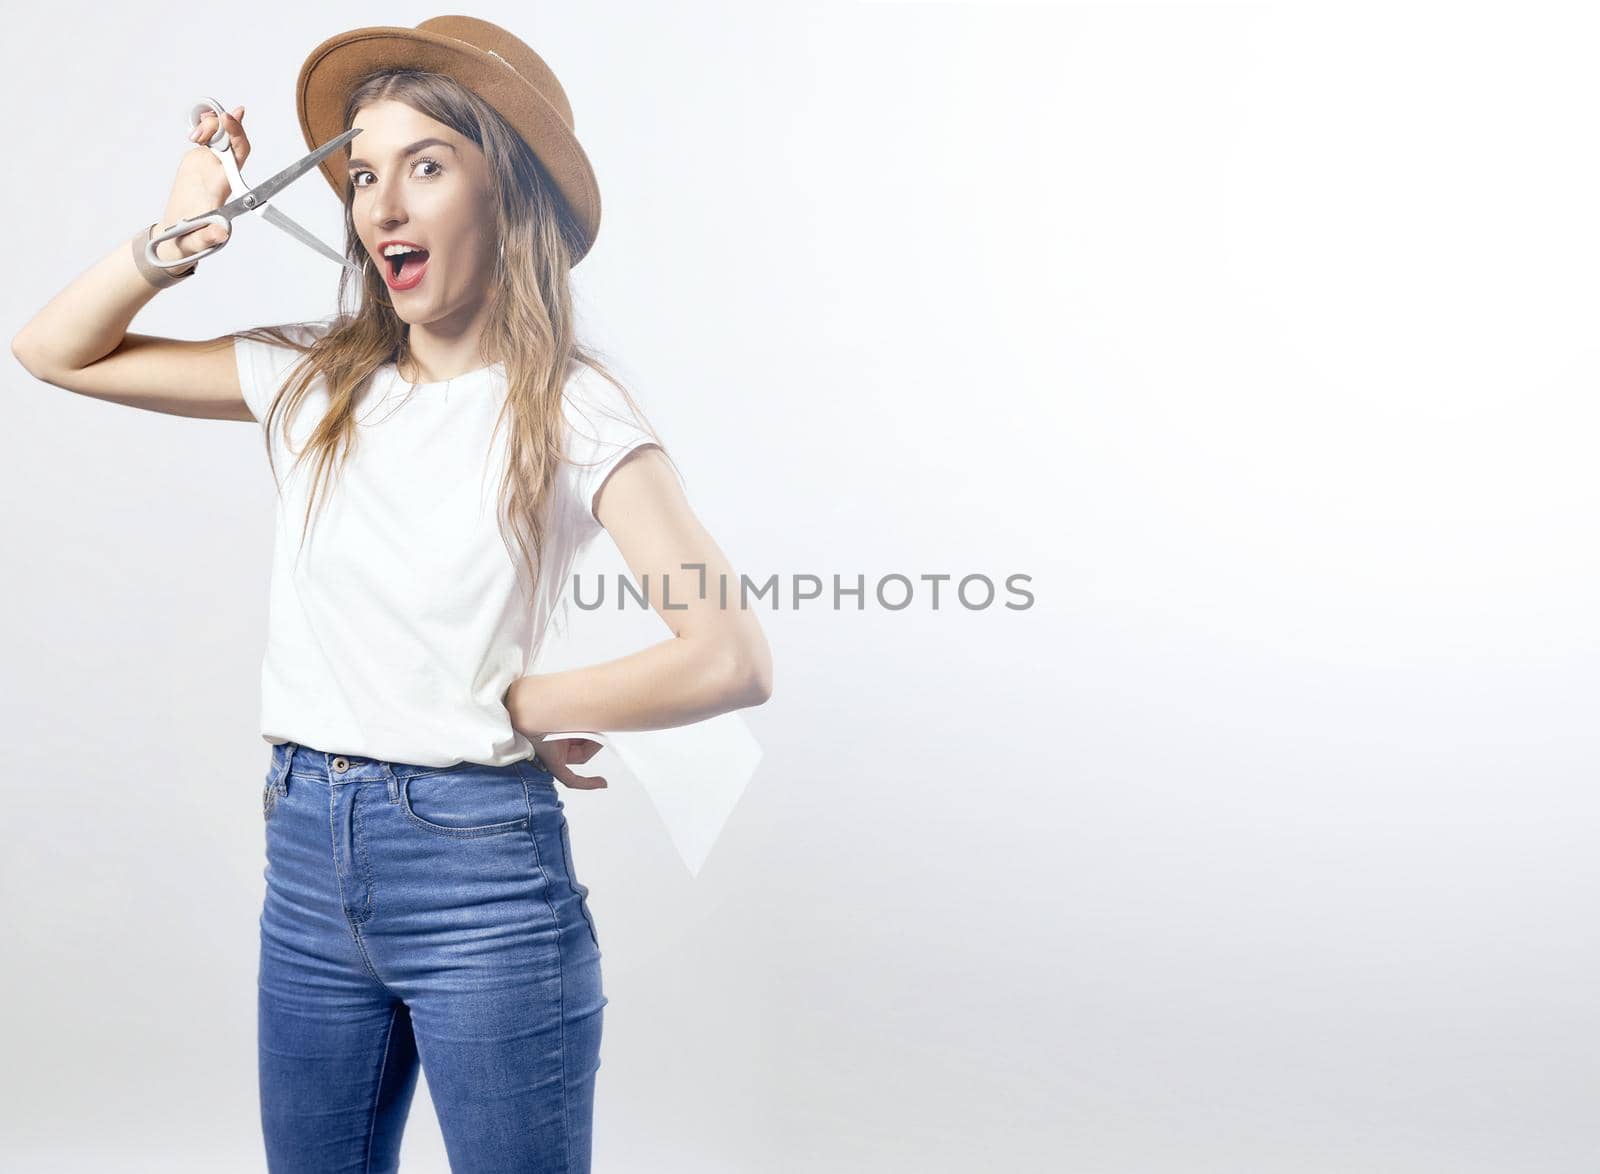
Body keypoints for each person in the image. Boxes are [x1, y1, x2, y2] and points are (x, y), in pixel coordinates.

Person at [11, 16, 772, 1173]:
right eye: (364, 174)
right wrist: (173, 236)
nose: (382, 205)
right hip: (308, 860)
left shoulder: (571, 409)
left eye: (425, 165)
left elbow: (726, 654)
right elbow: (56, 352)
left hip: (481, 874)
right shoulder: (315, 380)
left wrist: (513, 703)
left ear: (503, 193)